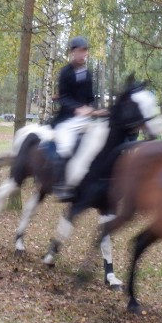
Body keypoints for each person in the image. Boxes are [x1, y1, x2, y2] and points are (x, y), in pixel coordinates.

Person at [51, 36, 96, 201]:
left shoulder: (88, 73)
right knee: (66, 146)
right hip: (67, 119)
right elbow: (63, 97)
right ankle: (61, 185)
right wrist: (77, 109)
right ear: (73, 52)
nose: (83, 54)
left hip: (85, 119)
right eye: (80, 51)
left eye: (85, 51)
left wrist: (91, 108)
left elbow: (90, 98)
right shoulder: (65, 72)